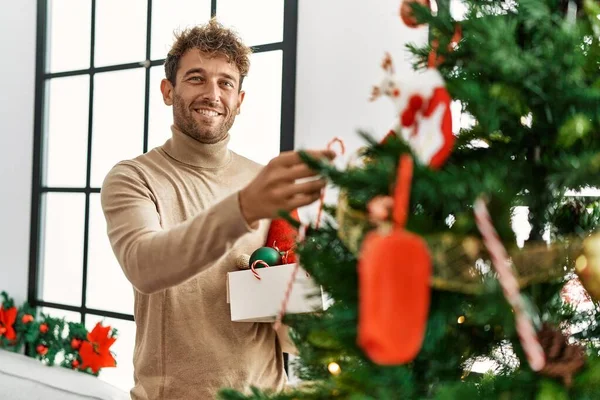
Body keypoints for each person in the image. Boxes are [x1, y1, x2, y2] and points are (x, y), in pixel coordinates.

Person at [101, 18, 334, 399]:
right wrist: (243, 208)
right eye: (196, 78)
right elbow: (144, 264)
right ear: (167, 89)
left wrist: (305, 284)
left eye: (226, 82)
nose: (212, 93)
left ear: (239, 101)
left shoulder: (264, 181)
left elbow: (295, 338)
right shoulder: (134, 177)